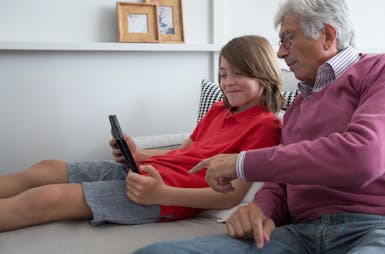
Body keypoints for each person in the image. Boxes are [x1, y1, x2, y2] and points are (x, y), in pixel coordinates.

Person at [134, 0, 385, 254]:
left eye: (287, 38)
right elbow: (281, 183)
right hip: (304, 236)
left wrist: (242, 163)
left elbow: (364, 155)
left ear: (328, 36)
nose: (279, 53)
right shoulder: (300, 103)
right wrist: (260, 209)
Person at [0, 35, 282, 232]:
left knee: (47, 198)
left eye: (238, 74)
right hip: (146, 173)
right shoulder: (219, 109)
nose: (227, 82)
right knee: (46, 168)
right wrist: (138, 154)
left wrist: (162, 193)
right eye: (222, 74)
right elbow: (185, 152)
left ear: (263, 73)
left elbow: (229, 197)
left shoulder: (266, 126)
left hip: (163, 196)